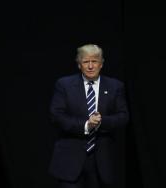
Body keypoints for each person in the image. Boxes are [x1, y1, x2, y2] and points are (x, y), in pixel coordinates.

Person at [48, 44, 129, 188]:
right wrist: (86, 125)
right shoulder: (64, 85)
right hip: (70, 160)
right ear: (79, 65)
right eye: (86, 62)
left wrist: (101, 122)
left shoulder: (115, 86)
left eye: (94, 61)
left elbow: (123, 117)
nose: (90, 66)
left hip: (102, 162)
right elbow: (57, 116)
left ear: (101, 64)